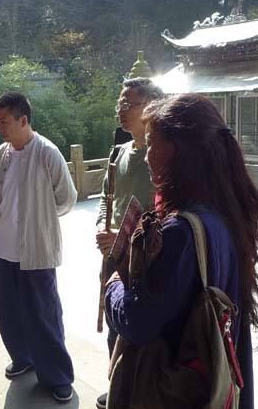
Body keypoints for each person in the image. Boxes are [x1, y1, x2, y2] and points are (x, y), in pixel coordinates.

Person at [105, 94, 258, 409]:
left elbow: (138, 322)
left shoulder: (180, 232)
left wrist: (114, 285)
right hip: (217, 377)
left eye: (152, 144)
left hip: (178, 384)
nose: (147, 156)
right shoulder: (229, 209)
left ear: (182, 151)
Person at [0, 92, 78, 402]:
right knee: (6, 310)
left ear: (23, 120)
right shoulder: (1, 153)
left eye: (4, 122)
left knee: (43, 315)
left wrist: (41, 220)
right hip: (1, 249)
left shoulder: (47, 152)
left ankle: (58, 376)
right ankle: (23, 358)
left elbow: (67, 198)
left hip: (35, 250)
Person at [94, 77, 163, 409]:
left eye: (127, 104)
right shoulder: (118, 153)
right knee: (114, 322)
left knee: (140, 329)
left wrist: (125, 235)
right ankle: (117, 384)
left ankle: (139, 392)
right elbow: (106, 199)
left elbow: (166, 213)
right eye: (119, 104)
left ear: (150, 106)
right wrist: (102, 227)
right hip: (113, 255)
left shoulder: (161, 155)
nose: (120, 110)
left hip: (146, 258)